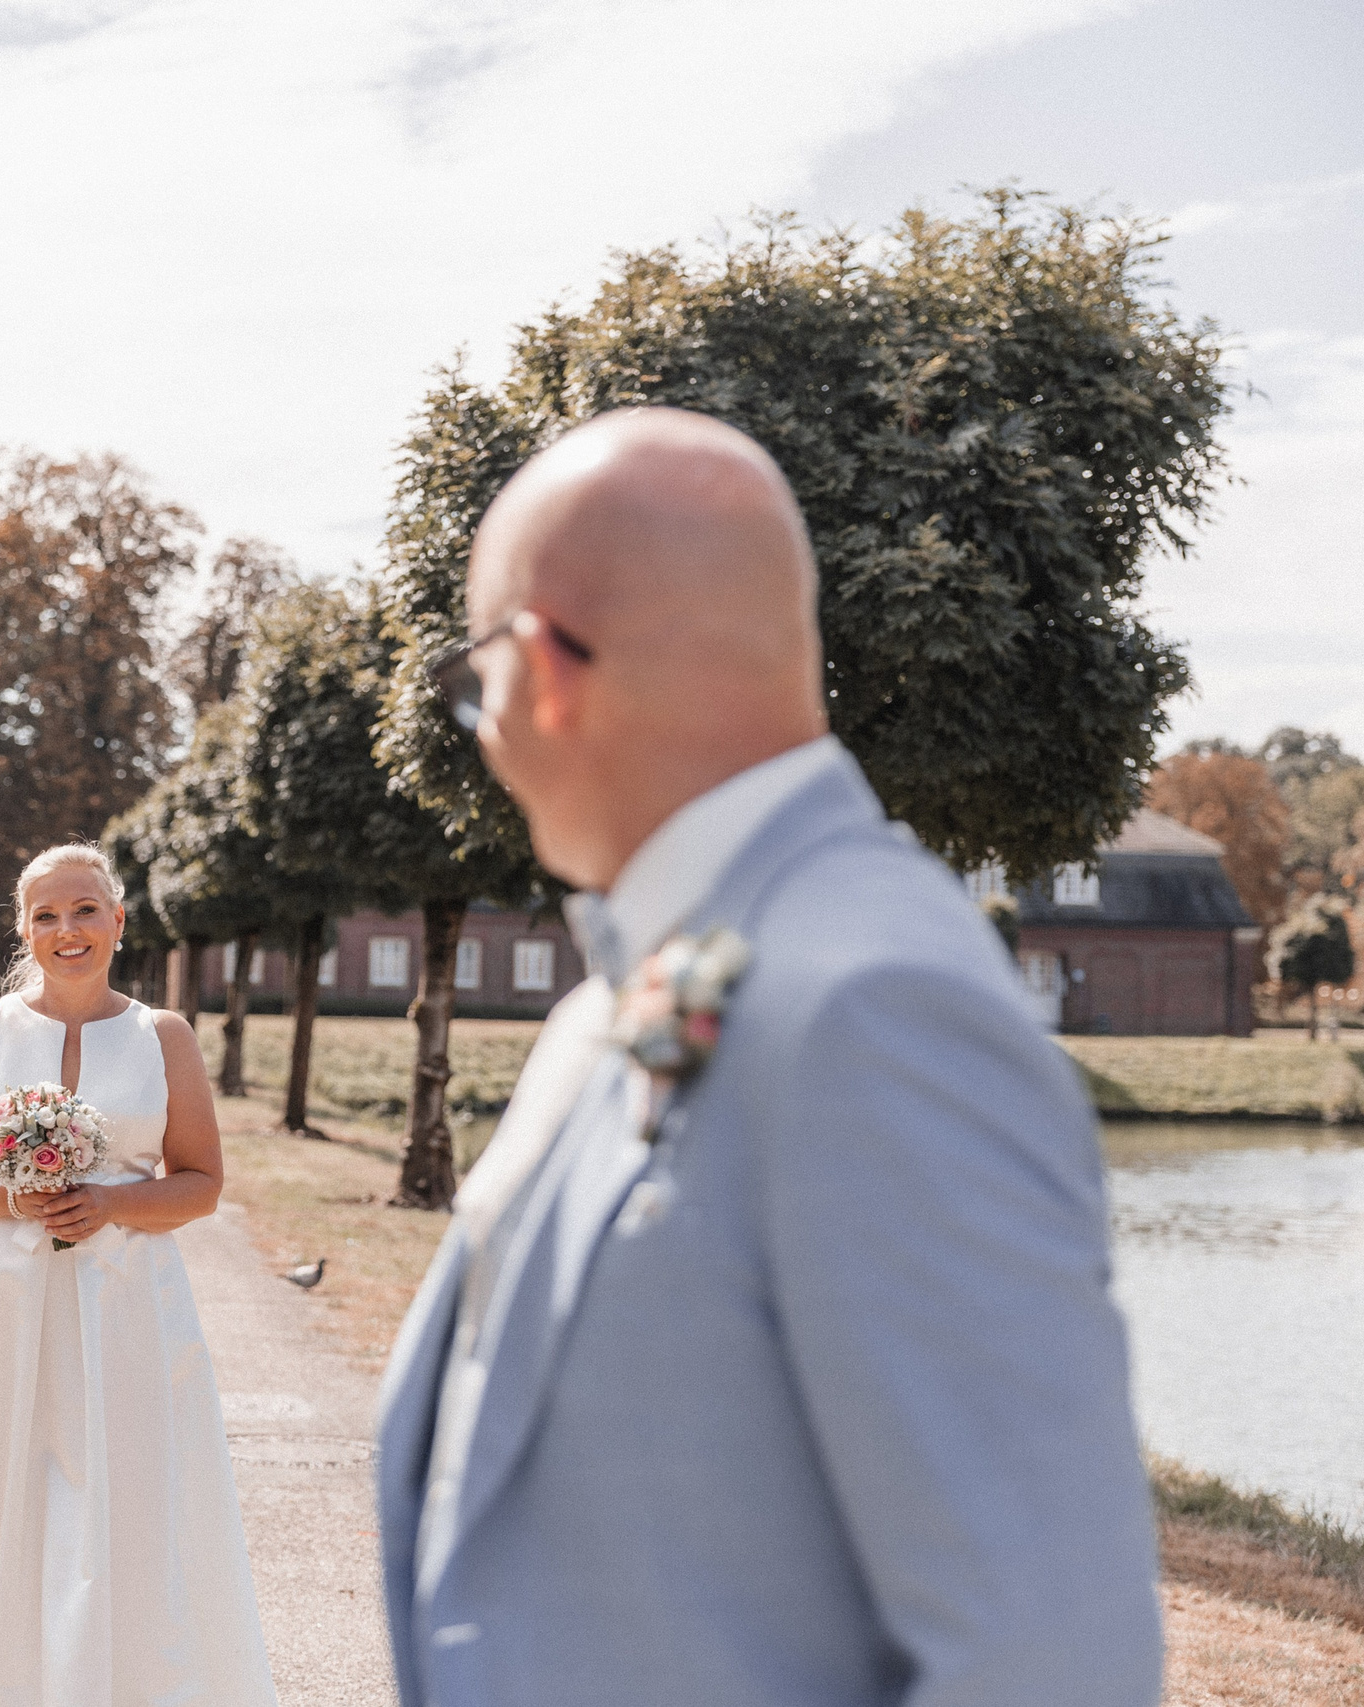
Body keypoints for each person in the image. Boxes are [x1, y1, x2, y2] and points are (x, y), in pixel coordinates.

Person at [378, 407, 1162, 1706]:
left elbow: (1046, 1655)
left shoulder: (878, 1003)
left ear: (541, 667)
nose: (482, 726)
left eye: (471, 688)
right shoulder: (615, 997)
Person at [0, 842, 279, 1707]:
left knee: (129, 1502)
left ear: (119, 921)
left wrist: (112, 1204)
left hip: (128, 1305)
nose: (67, 929)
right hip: (3, 1300)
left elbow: (201, 1183)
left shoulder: (165, 1036)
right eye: (46, 914)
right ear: (23, 928)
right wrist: (18, 1202)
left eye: (84, 909)